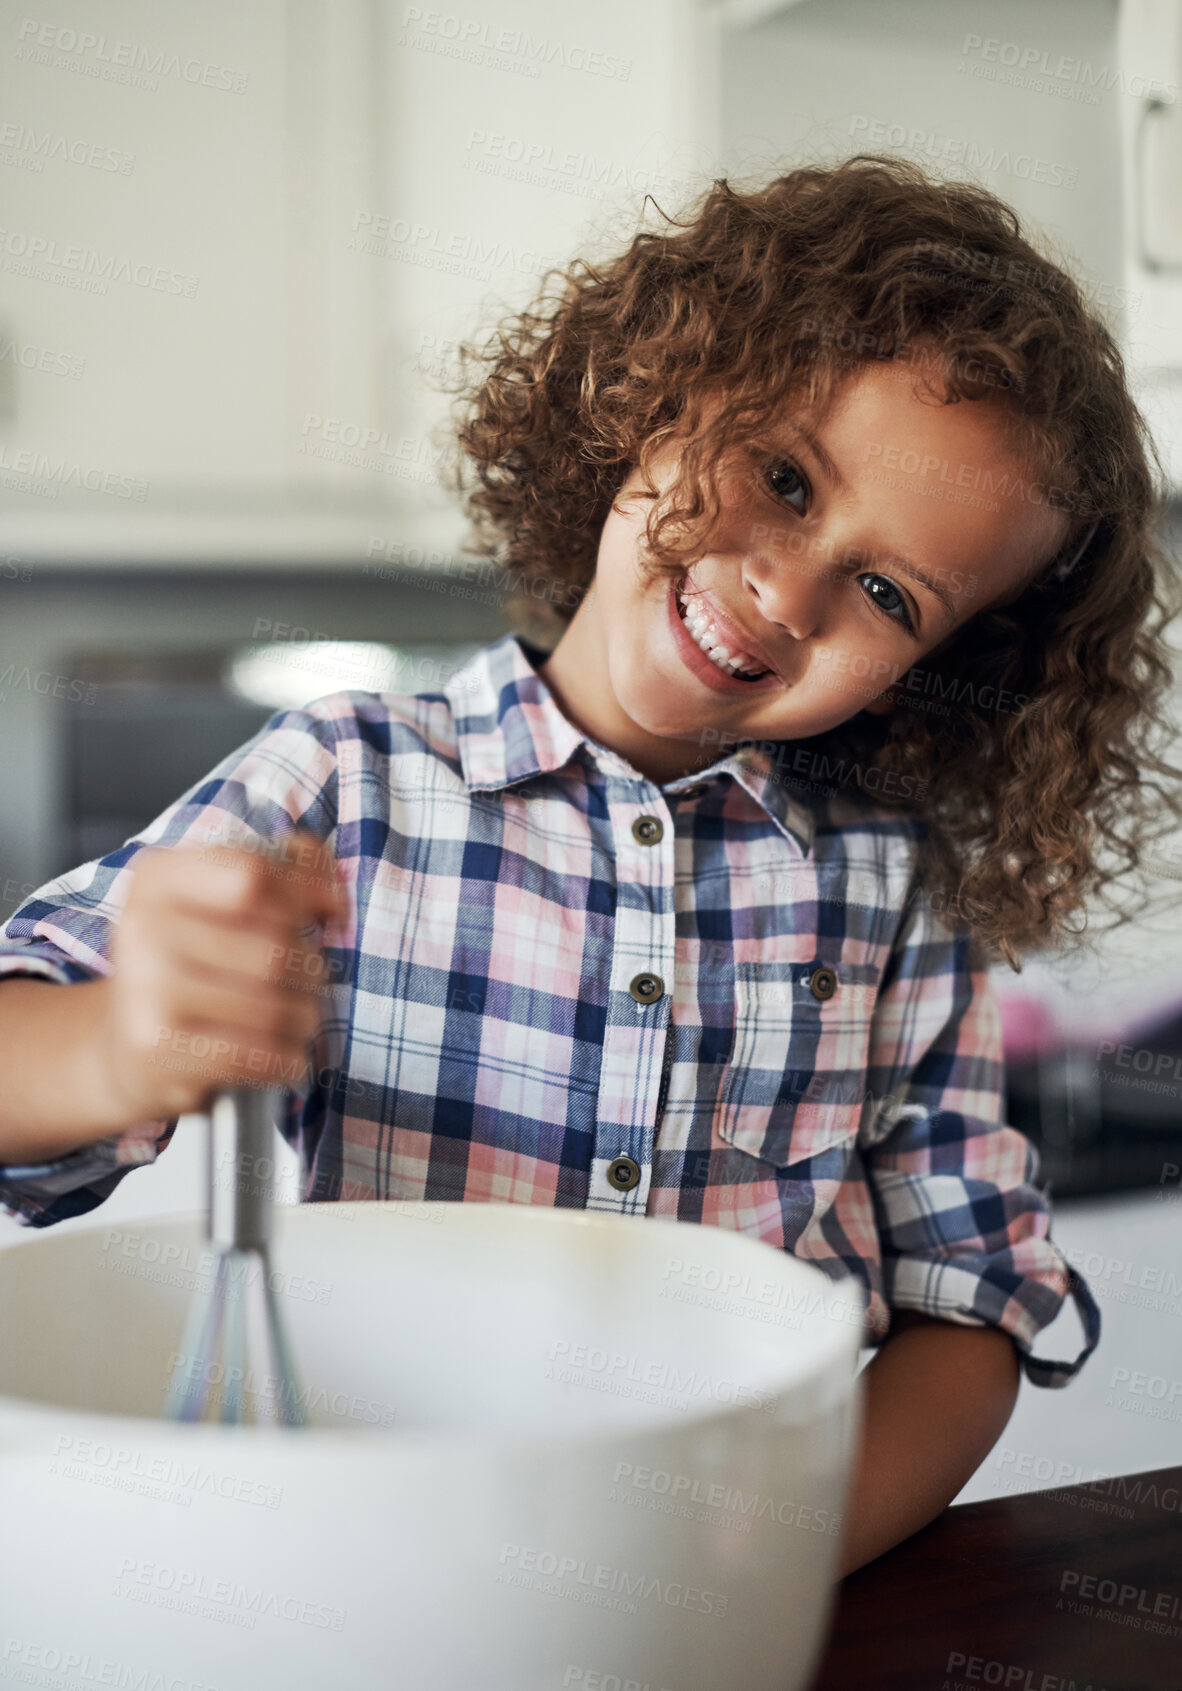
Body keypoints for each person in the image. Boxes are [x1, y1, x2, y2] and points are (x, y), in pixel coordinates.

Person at [1, 155, 1179, 1577]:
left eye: (884, 593)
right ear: (655, 392)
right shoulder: (344, 784)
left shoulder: (889, 894)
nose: (786, 590)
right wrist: (125, 1041)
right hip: (372, 1570)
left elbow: (970, 1300)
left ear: (937, 669)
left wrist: (774, 1562)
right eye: (783, 476)